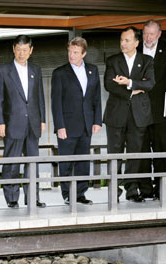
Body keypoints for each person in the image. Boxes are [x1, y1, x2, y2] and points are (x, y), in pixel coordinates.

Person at [0, 34, 46, 209]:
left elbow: (39, 96)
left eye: (25, 50)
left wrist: (43, 119)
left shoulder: (36, 70)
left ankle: (33, 197)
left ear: (31, 51)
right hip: (12, 122)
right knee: (12, 162)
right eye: (18, 49)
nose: (21, 53)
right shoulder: (3, 69)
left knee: (33, 162)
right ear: (13, 50)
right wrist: (0, 122)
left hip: (33, 122)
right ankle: (11, 197)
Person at [103, 26, 155, 202]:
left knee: (135, 153)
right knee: (115, 154)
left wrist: (129, 82)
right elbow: (109, 85)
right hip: (116, 114)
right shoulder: (112, 60)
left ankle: (132, 190)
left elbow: (150, 84)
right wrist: (133, 90)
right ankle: (113, 192)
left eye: (127, 40)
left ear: (136, 42)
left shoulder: (147, 60)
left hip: (138, 115)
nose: (123, 43)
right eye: (121, 40)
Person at [51, 36, 102, 205]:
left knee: (82, 162)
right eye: (70, 51)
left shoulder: (93, 70)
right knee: (66, 162)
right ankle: (67, 195)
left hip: (87, 124)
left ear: (84, 53)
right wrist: (60, 126)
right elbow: (55, 102)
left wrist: (97, 121)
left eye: (75, 52)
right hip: (67, 125)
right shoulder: (60, 72)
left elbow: (96, 98)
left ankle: (80, 194)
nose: (71, 55)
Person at [138, 20, 166, 200]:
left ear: (159, 34)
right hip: (139, 111)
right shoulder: (136, 49)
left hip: (163, 111)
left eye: (151, 34)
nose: (147, 38)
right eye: (145, 34)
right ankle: (145, 190)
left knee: (161, 150)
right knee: (142, 151)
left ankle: (163, 190)